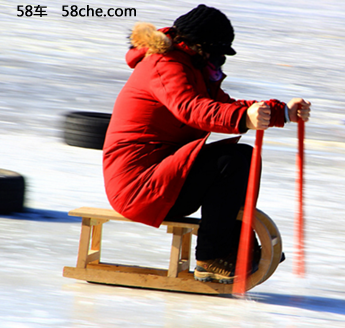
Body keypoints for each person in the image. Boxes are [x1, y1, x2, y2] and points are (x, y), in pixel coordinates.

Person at [102, 4, 311, 284]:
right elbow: (192, 109)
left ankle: (230, 245)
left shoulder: (190, 67)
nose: (220, 62)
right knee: (233, 160)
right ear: (199, 46)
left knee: (235, 158)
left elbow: (221, 105)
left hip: (162, 175)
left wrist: (281, 112)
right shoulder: (165, 66)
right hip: (138, 185)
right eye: (219, 55)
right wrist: (243, 118)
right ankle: (213, 257)